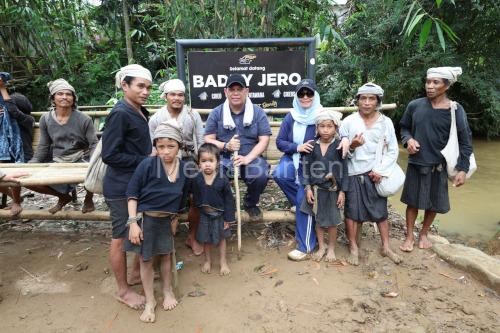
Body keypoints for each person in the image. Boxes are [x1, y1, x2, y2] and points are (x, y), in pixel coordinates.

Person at [399, 67, 473, 252]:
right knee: (412, 202)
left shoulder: (455, 110)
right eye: (428, 82)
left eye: (436, 83)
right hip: (417, 163)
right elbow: (404, 128)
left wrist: (463, 169)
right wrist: (409, 140)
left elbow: (465, 141)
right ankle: (409, 236)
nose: (430, 86)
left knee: (433, 204)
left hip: (439, 166)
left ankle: (423, 234)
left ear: (446, 86)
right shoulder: (415, 105)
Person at [125, 121, 189, 323]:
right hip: (146, 220)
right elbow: (132, 194)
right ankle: (150, 301)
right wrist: (133, 223)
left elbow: (183, 198)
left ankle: (168, 291)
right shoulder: (148, 164)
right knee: (146, 259)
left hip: (166, 220)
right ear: (155, 147)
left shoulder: (186, 168)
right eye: (160, 147)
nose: (166, 151)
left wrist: (176, 218)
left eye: (171, 146)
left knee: (167, 256)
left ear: (179, 146)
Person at [101, 64, 153, 310]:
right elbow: (109, 155)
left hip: (137, 183)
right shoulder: (120, 113)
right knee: (121, 237)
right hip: (121, 186)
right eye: (140, 86)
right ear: (125, 85)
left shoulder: (141, 111)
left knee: (138, 230)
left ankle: (133, 276)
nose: (145, 91)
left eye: (148, 87)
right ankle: (122, 290)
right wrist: (146, 159)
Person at [340, 82, 401, 266]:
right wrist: (352, 146)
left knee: (380, 212)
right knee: (351, 212)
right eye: (363, 98)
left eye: (371, 98)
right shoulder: (348, 122)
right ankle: (353, 248)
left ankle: (386, 246)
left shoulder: (385, 122)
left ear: (377, 102)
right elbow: (341, 152)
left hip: (375, 173)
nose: (367, 102)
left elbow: (393, 150)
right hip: (352, 173)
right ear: (357, 101)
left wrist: (380, 171)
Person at [148, 78, 204, 255]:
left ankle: (192, 236)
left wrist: (201, 163)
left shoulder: (192, 114)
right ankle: (166, 237)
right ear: (166, 96)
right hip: (165, 162)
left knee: (198, 194)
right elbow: (152, 147)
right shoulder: (156, 118)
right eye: (173, 94)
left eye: (180, 95)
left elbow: (201, 141)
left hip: (189, 160)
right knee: (165, 194)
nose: (177, 98)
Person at [204, 74, 271, 221]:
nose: (235, 93)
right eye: (232, 89)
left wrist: (248, 158)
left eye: (239, 89)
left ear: (246, 91)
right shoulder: (217, 112)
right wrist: (225, 145)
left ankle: (250, 203)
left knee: (260, 174)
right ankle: (227, 205)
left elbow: (264, 140)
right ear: (225, 92)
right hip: (224, 158)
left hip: (251, 158)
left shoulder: (257, 112)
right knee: (214, 176)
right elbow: (208, 139)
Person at [26, 79, 98, 214]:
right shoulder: (46, 119)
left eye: (68, 94)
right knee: (28, 181)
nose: (64, 97)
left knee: (94, 171)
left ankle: (89, 198)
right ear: (53, 98)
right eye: (60, 94)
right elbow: (44, 144)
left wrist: (93, 163)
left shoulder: (84, 119)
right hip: (58, 159)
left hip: (81, 157)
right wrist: (33, 163)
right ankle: (63, 197)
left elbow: (94, 143)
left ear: (73, 98)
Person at [272, 79, 321, 261]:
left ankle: (306, 245)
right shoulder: (291, 116)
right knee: (280, 174)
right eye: (301, 93)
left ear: (315, 95)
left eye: (309, 93)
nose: (305, 97)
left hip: (314, 163)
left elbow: (334, 136)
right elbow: (280, 142)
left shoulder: (322, 116)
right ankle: (303, 205)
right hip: (294, 157)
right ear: (296, 96)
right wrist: (298, 147)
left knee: (303, 197)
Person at [300, 110, 348, 262]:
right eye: (322, 126)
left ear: (336, 128)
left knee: (333, 222)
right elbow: (305, 168)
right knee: (319, 220)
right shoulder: (312, 146)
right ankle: (321, 247)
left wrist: (342, 192)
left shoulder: (340, 147)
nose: (326, 130)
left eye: (329, 126)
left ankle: (331, 248)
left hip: (333, 191)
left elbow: (345, 171)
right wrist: (307, 188)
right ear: (317, 128)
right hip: (316, 190)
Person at [191, 143, 235, 276]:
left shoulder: (222, 179)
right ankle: (208, 260)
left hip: (220, 215)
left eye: (211, 161)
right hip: (204, 215)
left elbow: (229, 199)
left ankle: (223, 261)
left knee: (222, 239)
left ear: (218, 162)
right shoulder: (197, 179)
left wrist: (229, 218)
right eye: (204, 161)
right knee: (206, 239)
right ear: (199, 163)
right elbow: (195, 196)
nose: (207, 164)